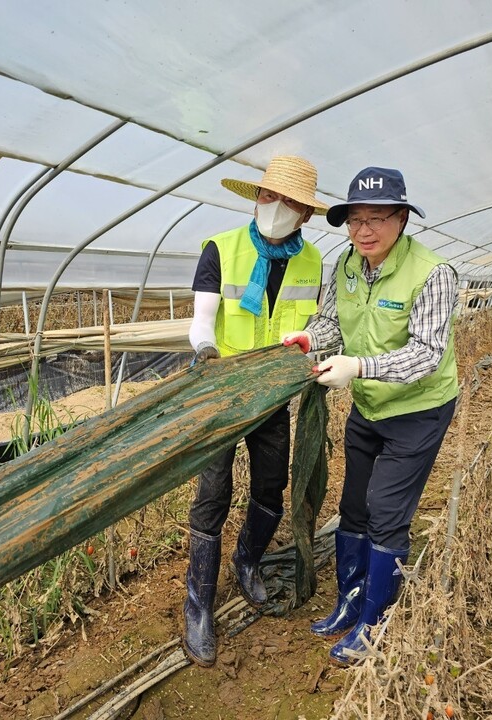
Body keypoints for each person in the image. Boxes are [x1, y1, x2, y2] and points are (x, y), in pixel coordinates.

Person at [282, 166, 458, 665]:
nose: (364, 230)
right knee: (353, 505)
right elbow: (333, 323)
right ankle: (350, 600)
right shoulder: (347, 264)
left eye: (376, 218)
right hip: (369, 404)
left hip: (419, 410)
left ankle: (375, 620)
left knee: (385, 512)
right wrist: (310, 339)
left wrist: (359, 366)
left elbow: (425, 354)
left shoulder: (433, 273)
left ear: (402, 218)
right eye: (355, 219)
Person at [182, 155, 328, 667]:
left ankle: (248, 562)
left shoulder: (312, 262)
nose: (273, 207)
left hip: (272, 394)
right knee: (213, 492)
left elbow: (313, 328)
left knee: (270, 484)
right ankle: (198, 604)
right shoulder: (221, 249)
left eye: (286, 201)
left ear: (304, 214)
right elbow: (201, 322)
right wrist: (206, 353)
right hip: (222, 392)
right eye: (267, 196)